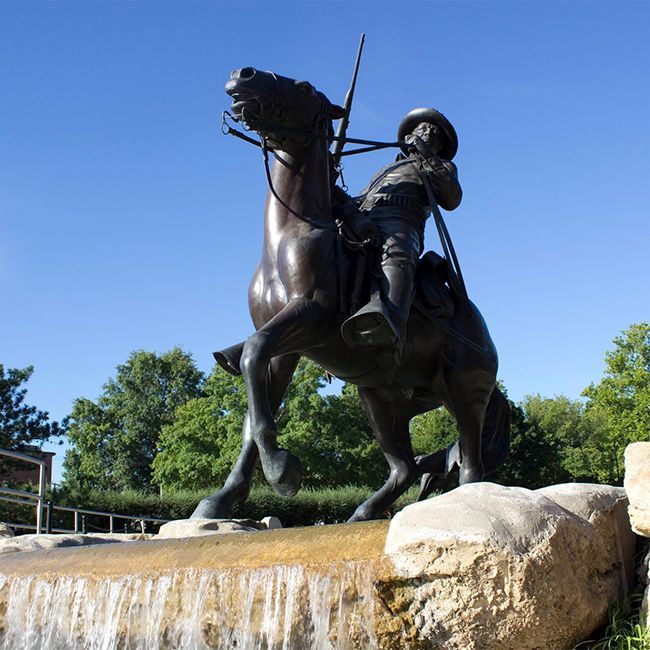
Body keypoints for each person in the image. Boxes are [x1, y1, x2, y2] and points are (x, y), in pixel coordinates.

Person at [339, 107, 463, 363]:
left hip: (402, 222)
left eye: (432, 133)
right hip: (367, 219)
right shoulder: (384, 169)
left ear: (439, 145)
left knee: (397, 256)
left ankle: (390, 331)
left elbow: (452, 199)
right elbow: (363, 198)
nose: (425, 133)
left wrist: (429, 157)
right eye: (420, 129)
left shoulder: (442, 167)